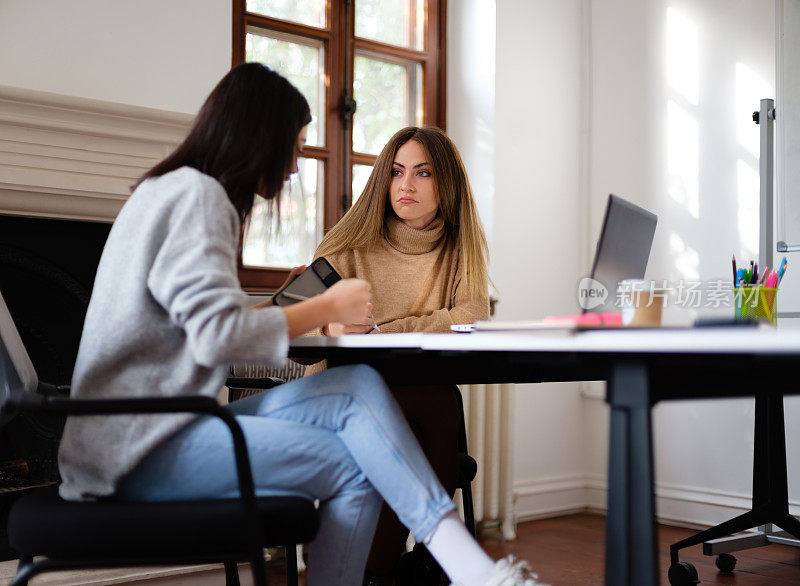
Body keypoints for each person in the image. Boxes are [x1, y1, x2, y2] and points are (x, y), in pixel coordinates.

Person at [56, 63, 544, 586]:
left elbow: (202, 323)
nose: (293, 167)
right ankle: (465, 569)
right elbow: (216, 337)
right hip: (141, 449)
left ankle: (466, 567)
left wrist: (282, 307)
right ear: (260, 137)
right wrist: (324, 308)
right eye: (294, 146)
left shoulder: (173, 190)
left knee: (355, 385)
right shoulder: (199, 199)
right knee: (359, 458)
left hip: (155, 427)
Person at [307, 126, 491, 584]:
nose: (405, 186)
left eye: (422, 173)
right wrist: (329, 323)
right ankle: (429, 560)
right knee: (431, 401)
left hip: (417, 402)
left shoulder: (458, 246)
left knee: (425, 402)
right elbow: (291, 314)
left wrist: (387, 330)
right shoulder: (347, 242)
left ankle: (376, 573)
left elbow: (471, 315)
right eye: (396, 172)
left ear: (445, 182)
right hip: (344, 397)